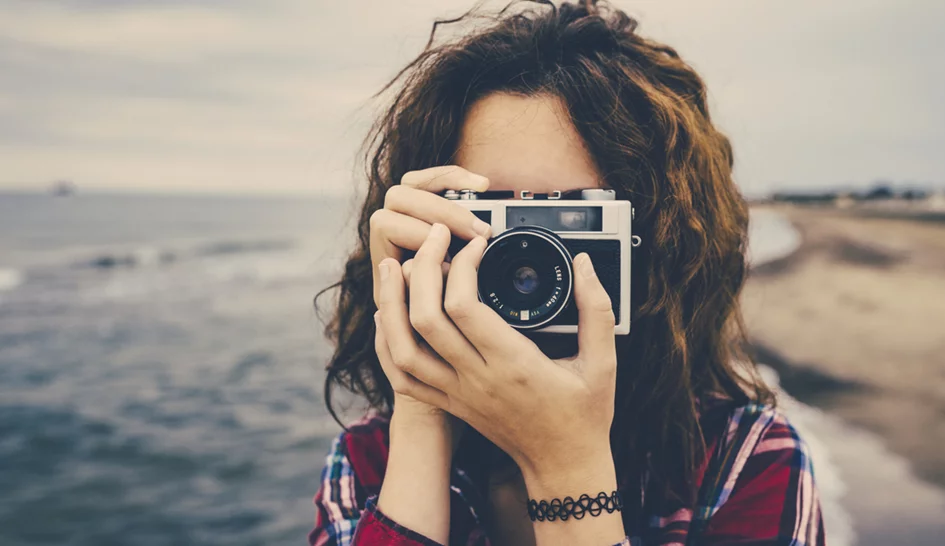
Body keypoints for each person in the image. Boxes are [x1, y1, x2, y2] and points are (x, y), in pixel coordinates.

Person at [310, 1, 824, 545]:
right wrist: (421, 416)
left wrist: (567, 466)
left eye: (573, 216)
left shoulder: (744, 463)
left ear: (656, 240)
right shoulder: (371, 464)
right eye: (492, 215)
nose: (527, 256)